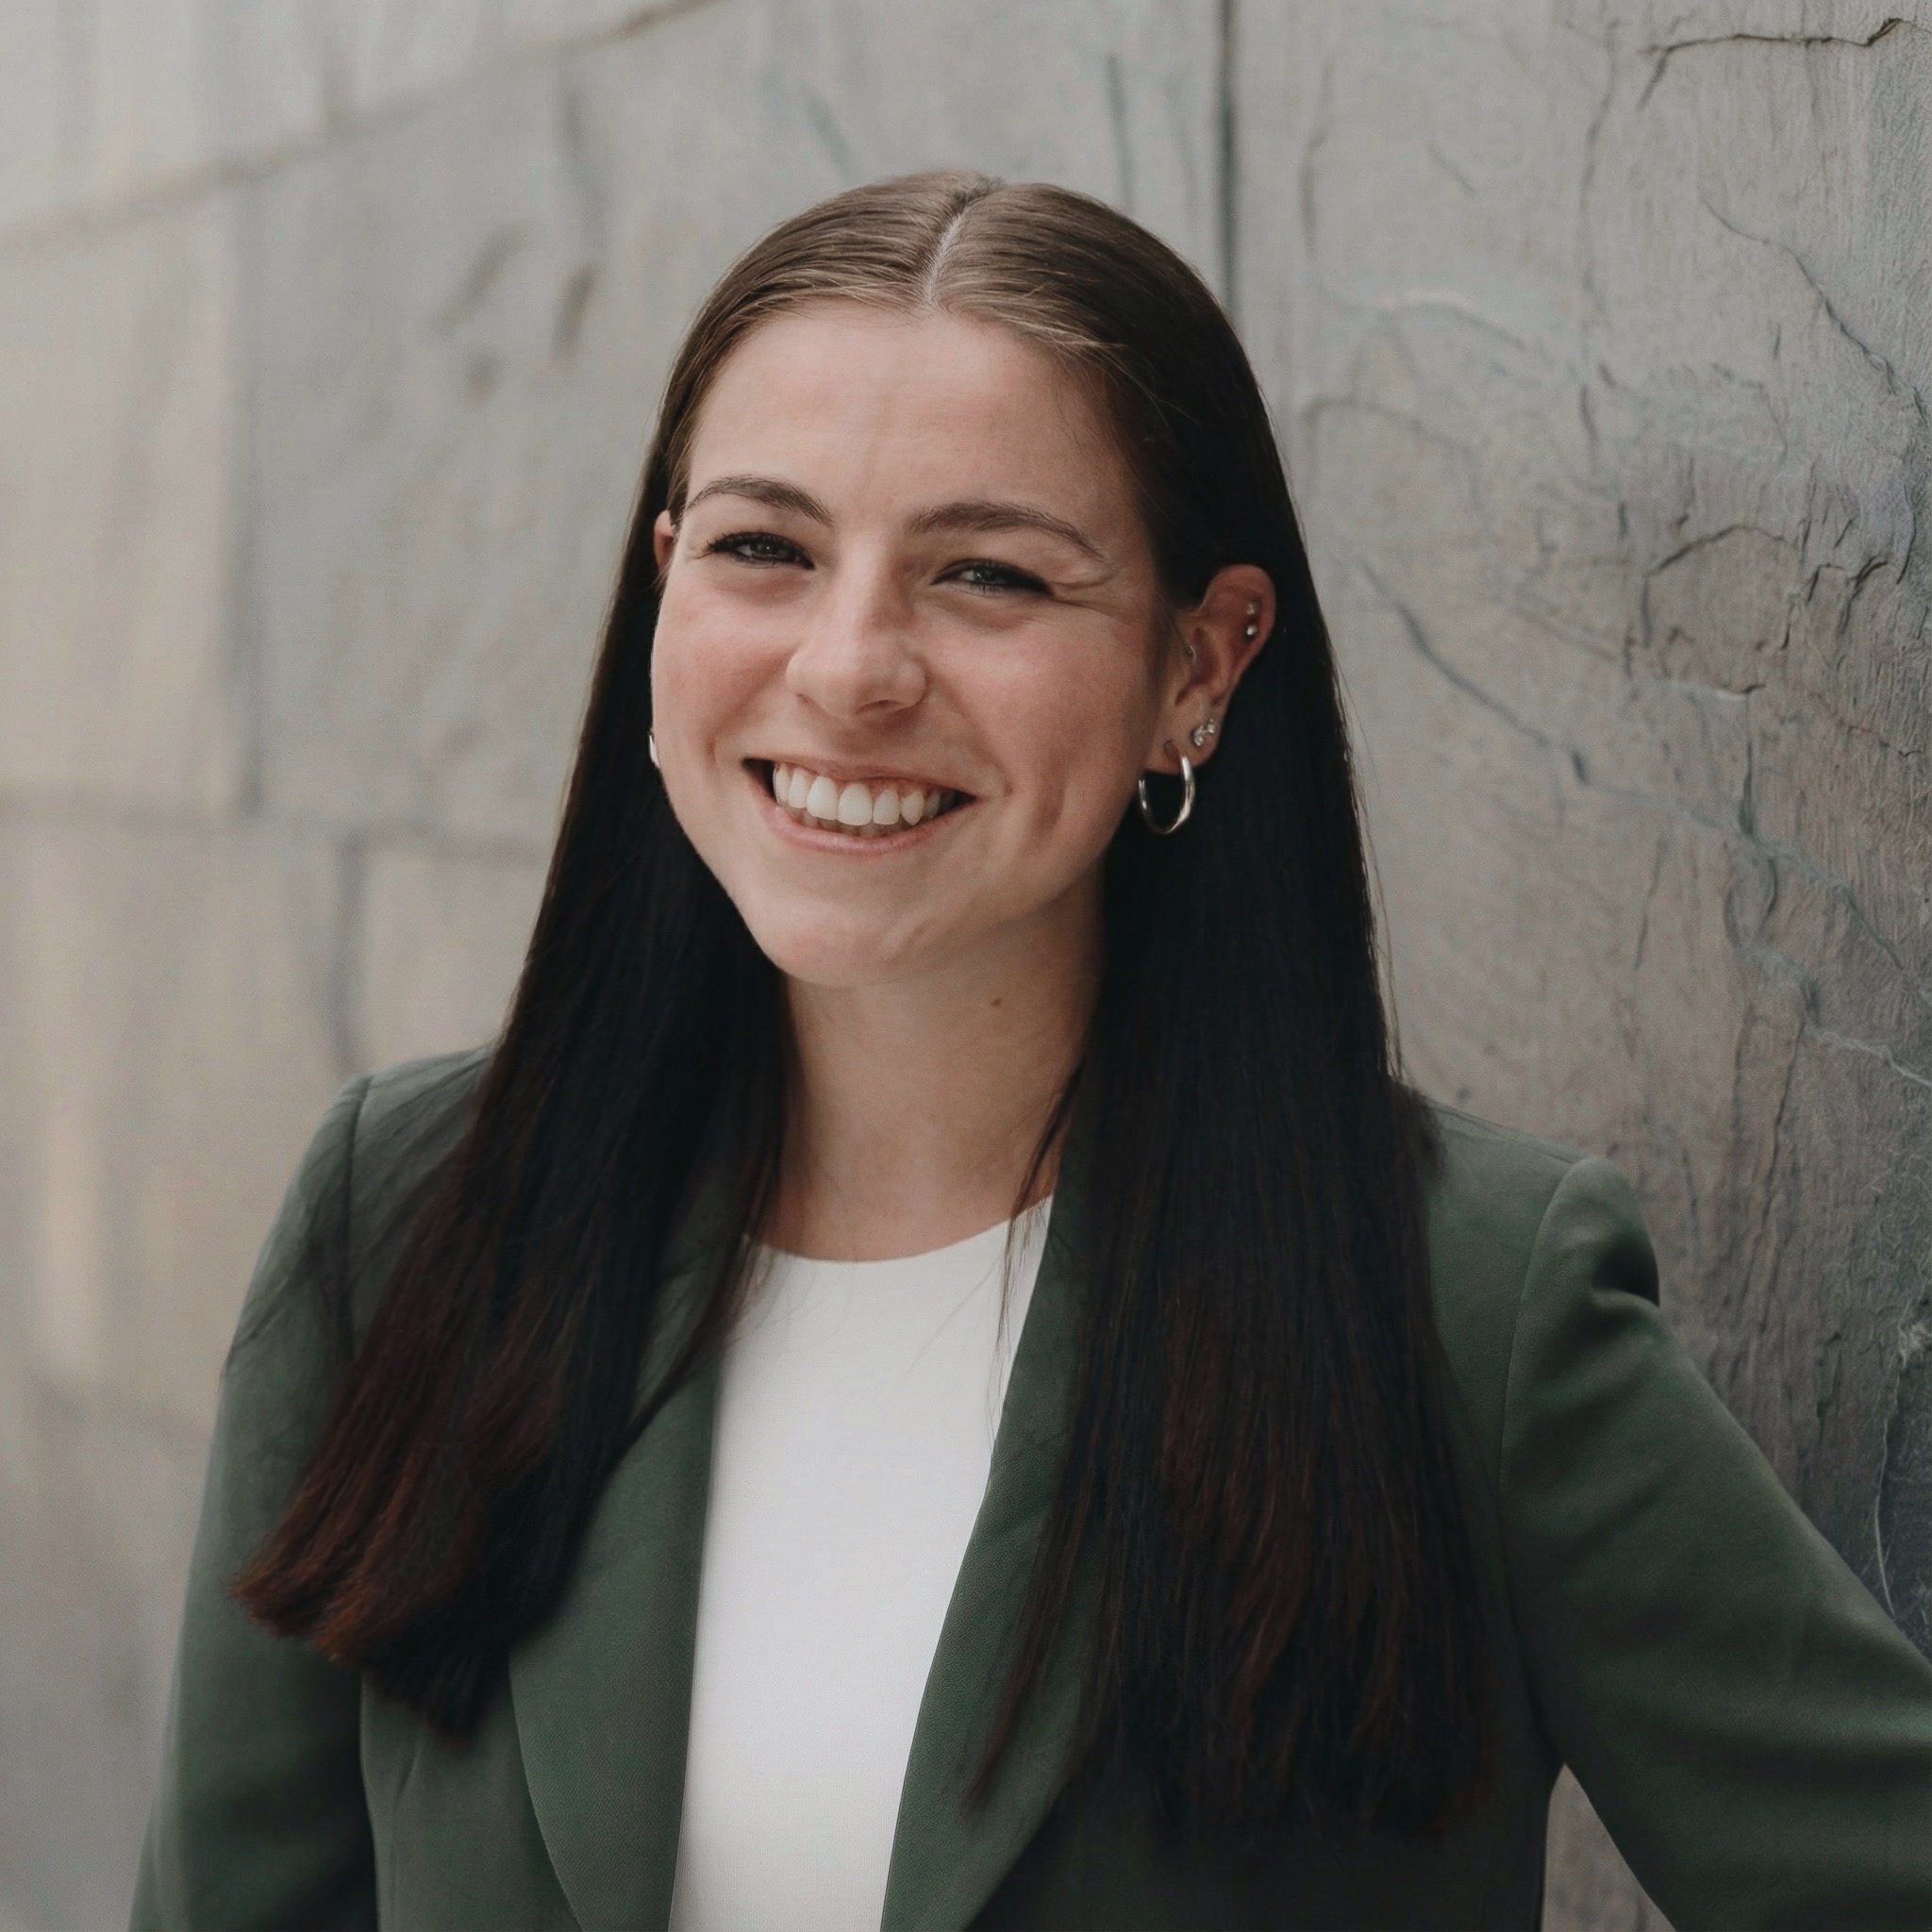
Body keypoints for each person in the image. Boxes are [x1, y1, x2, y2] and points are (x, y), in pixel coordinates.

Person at [131, 170, 1932, 1932]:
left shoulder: (1462, 1301)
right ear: (664, 585)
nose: (848, 669)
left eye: (987, 575)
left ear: (1199, 665)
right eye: (765, 546)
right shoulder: (408, 1222)